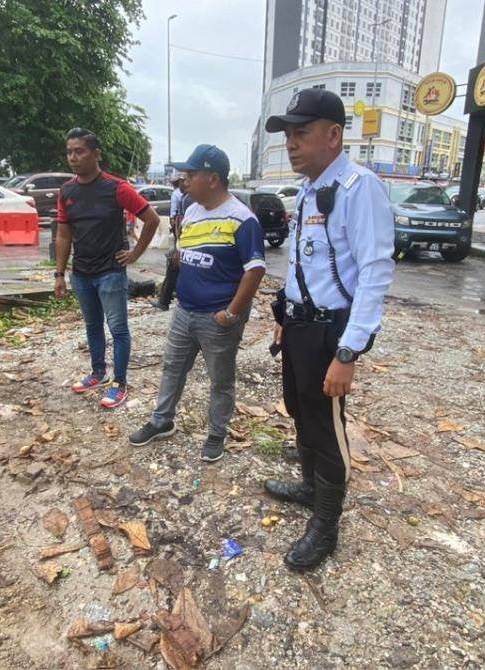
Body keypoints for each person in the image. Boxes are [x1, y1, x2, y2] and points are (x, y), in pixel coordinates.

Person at [262, 88, 395, 571]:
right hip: (299, 326)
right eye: (289, 136)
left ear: (334, 135)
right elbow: (305, 265)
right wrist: (284, 317)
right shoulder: (307, 189)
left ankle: (326, 523)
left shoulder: (361, 188)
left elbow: (376, 272)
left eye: (301, 133)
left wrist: (348, 352)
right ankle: (309, 485)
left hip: (330, 334)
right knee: (300, 410)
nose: (291, 144)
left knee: (326, 423)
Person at [129, 145, 266, 462]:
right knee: (172, 368)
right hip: (185, 311)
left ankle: (217, 433)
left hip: (217, 318)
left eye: (191, 174)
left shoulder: (242, 219)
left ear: (214, 178)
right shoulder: (190, 210)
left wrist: (231, 313)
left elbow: (255, 269)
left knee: (220, 380)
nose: (184, 179)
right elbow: (184, 254)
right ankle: (161, 421)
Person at [54, 127, 162, 409]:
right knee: (92, 326)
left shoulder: (117, 188)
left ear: (96, 154)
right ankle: (98, 372)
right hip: (81, 273)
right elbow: (63, 234)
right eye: (69, 152)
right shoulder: (67, 191)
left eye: (80, 151)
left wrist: (136, 253)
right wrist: (59, 274)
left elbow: (151, 219)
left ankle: (120, 382)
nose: (73, 157)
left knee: (118, 328)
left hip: (110, 273)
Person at [156, 175, 194, 310]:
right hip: (183, 240)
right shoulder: (185, 197)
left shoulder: (188, 199)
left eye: (184, 181)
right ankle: (166, 299)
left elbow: (183, 224)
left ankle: (165, 301)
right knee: (174, 269)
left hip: (185, 242)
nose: (182, 184)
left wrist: (179, 244)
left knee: (174, 269)